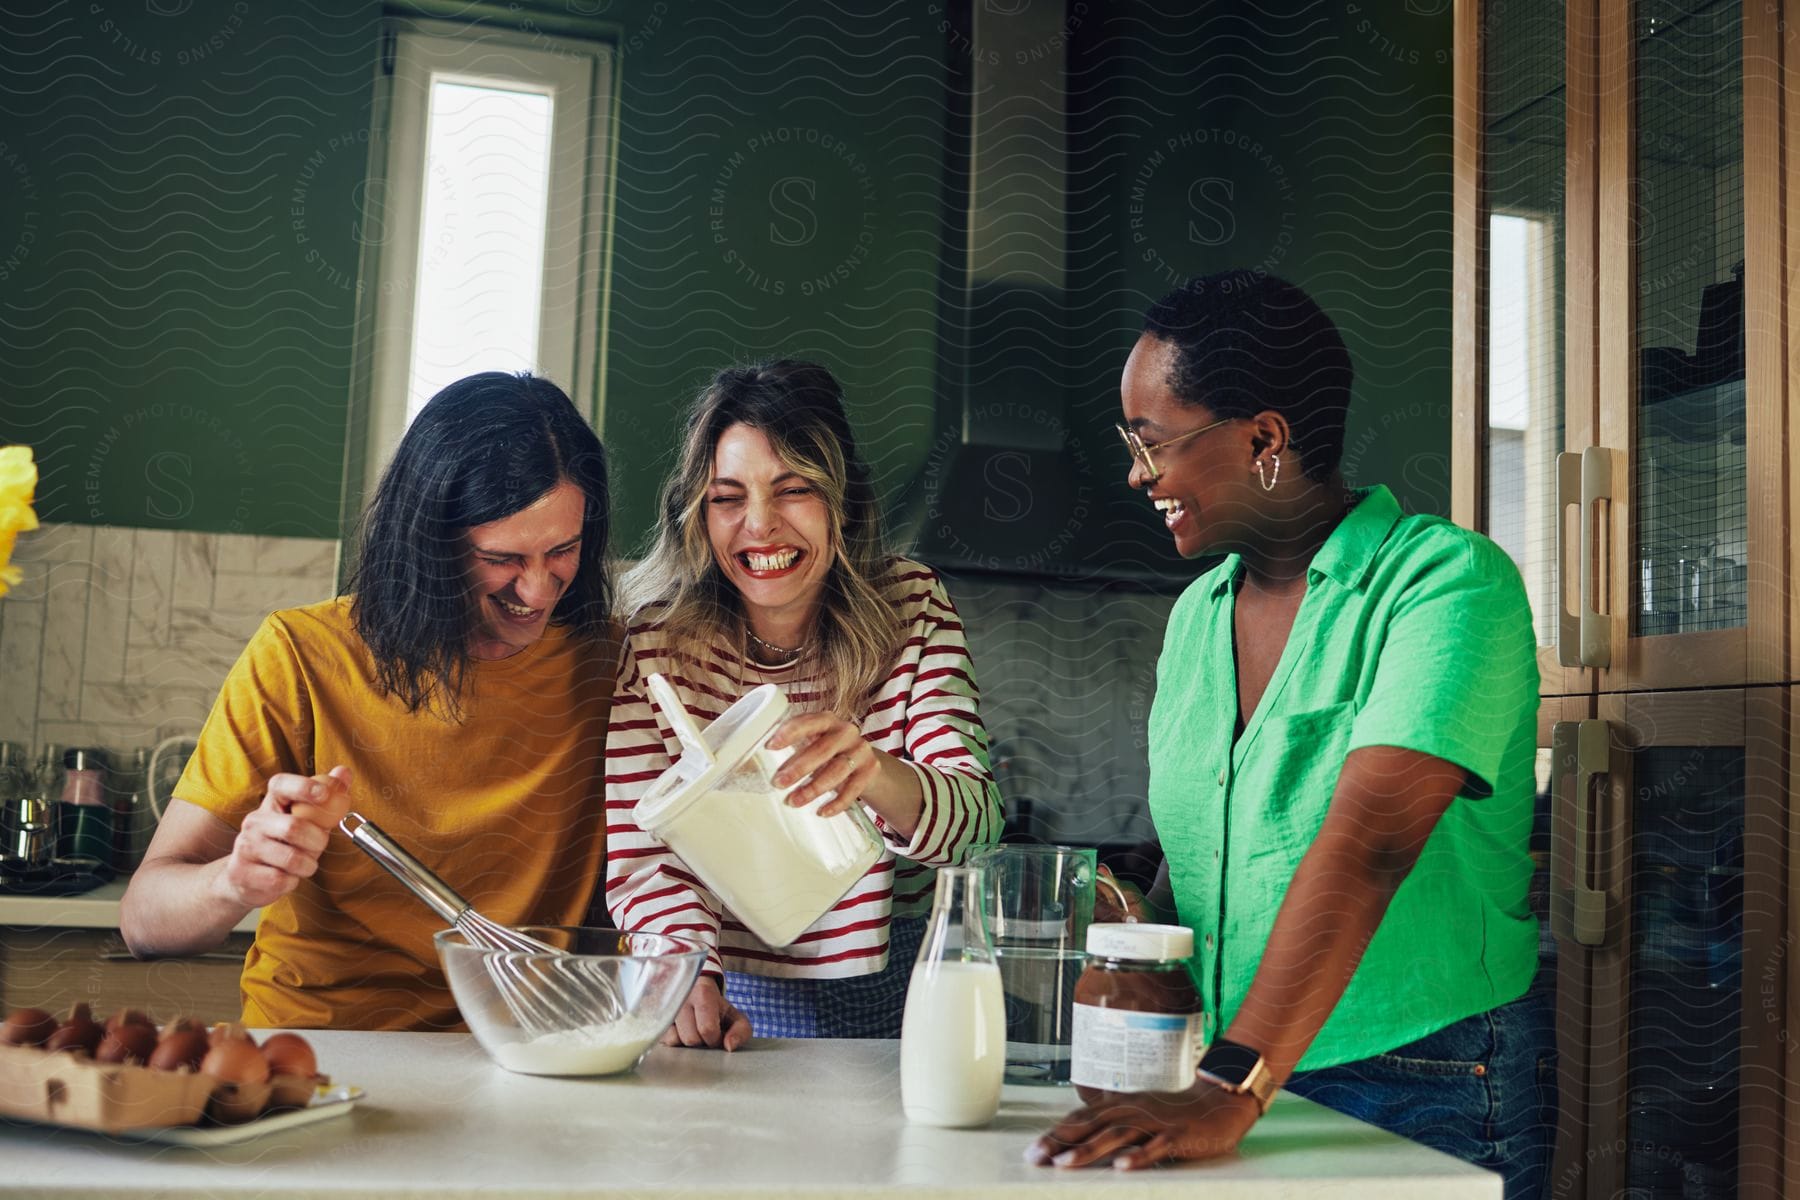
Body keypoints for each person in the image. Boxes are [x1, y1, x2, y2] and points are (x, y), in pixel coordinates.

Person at [1031, 272, 1552, 1200]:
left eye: (1150, 444)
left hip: (1412, 1075)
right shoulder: (1197, 615)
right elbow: (1201, 857)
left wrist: (1235, 1081)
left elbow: (1371, 841)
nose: (1136, 474)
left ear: (1264, 439)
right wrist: (1129, 926)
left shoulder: (1446, 584)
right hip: (1220, 1070)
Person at [121, 372, 619, 1031]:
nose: (537, 588)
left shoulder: (614, 664)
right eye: (503, 558)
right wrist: (234, 882)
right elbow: (143, 920)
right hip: (325, 1045)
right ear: (431, 542)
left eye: (563, 550)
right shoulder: (299, 655)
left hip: (527, 1047)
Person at [603, 359, 1003, 1047]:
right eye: (728, 498)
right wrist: (686, 973)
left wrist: (878, 773)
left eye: (792, 490)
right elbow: (649, 854)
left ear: (842, 502)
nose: (759, 527)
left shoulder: (913, 605)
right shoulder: (654, 639)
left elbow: (977, 826)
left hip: (904, 986)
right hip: (734, 994)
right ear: (698, 513)